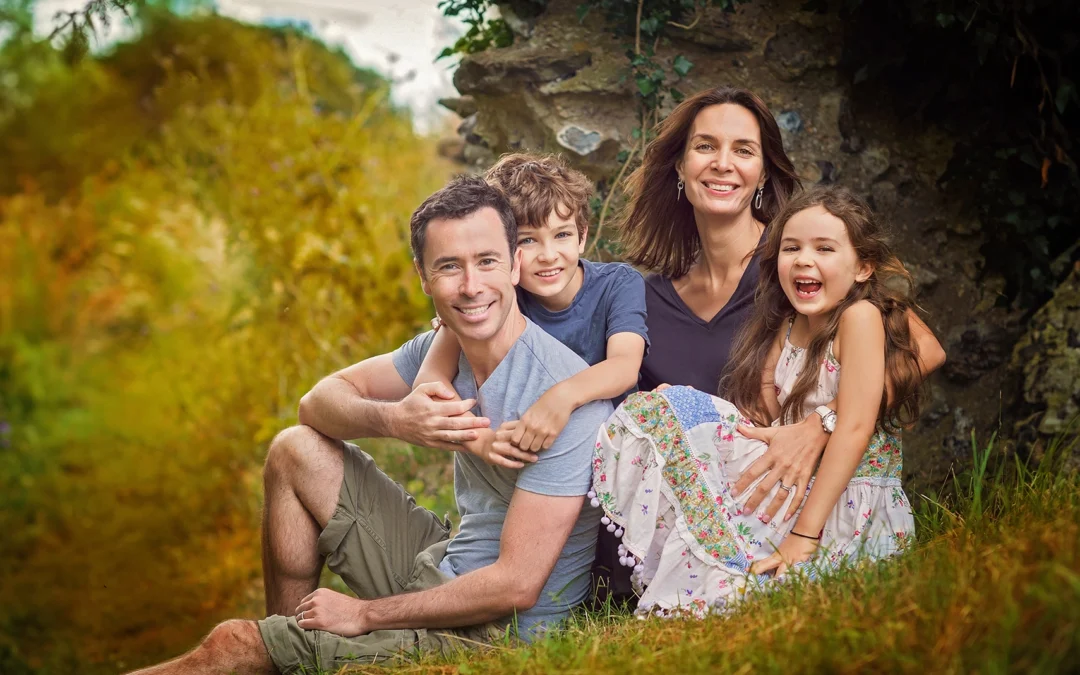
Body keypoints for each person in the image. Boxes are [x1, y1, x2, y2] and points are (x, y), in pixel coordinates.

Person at [129, 176, 612, 674]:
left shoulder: (565, 401)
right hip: (442, 567)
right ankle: (291, 647)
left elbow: (516, 586)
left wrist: (364, 614)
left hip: (496, 637)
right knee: (295, 450)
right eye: (449, 266)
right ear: (423, 277)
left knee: (232, 646)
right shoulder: (444, 348)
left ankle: (279, 651)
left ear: (514, 266)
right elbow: (316, 403)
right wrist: (398, 421)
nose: (470, 286)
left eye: (486, 262)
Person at [593, 86, 946, 601]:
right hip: (738, 495)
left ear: (762, 172)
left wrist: (820, 425)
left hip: (813, 491)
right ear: (679, 166)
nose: (723, 164)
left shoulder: (799, 265)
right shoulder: (646, 298)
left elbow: (925, 351)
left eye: (743, 150)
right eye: (705, 146)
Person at [413, 153, 649, 468]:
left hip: (618, 461)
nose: (549, 255)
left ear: (583, 236)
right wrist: (480, 440)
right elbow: (430, 382)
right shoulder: (497, 298)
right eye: (528, 240)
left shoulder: (617, 284)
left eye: (562, 234)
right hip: (534, 459)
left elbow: (624, 366)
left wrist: (561, 398)